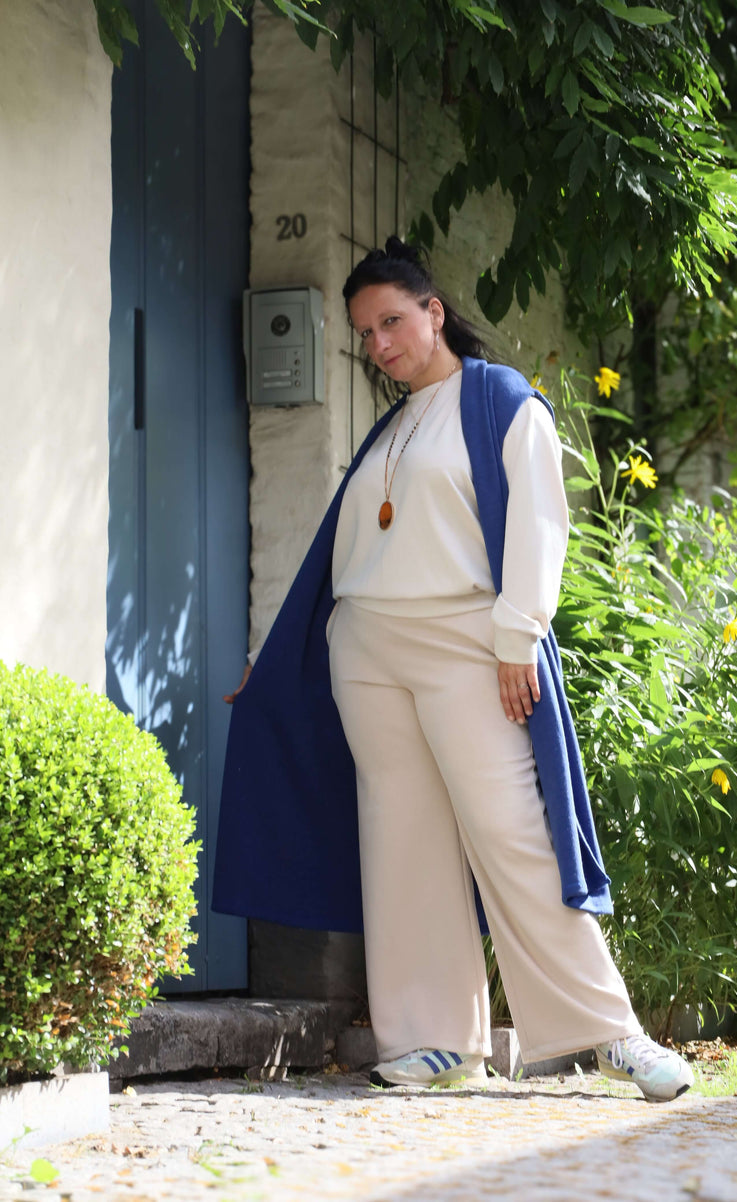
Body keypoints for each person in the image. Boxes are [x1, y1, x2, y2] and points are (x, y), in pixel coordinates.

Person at [214, 237, 693, 1104]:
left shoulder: (500, 401)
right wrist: (279, 666)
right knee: (401, 842)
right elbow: (343, 558)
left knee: (512, 829)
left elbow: (540, 525)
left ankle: (608, 1034)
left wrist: (517, 638)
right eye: (366, 333)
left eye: (392, 322)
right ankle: (434, 1041)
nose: (381, 345)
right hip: (367, 651)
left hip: (465, 641)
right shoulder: (391, 427)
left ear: (434, 312)